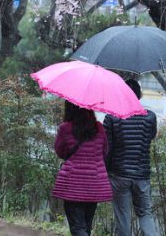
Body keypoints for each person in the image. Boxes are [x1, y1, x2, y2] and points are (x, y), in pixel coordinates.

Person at [103, 79, 158, 236]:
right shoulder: (150, 117)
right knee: (146, 214)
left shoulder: (112, 117)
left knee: (123, 217)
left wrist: (105, 171)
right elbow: (151, 136)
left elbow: (107, 148)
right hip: (142, 175)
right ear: (139, 95)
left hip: (119, 175)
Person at [53, 101, 112, 236]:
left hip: (72, 184)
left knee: (77, 228)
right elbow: (104, 152)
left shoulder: (65, 128)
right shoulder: (99, 128)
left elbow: (60, 152)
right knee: (85, 226)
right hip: (94, 184)